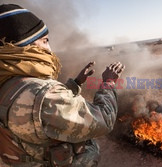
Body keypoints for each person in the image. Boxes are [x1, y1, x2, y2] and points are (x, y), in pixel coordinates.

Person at [0, 4, 125, 167]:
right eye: (44, 41)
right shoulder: (44, 94)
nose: (49, 49)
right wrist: (109, 82)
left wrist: (75, 83)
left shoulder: (7, 82)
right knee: (90, 147)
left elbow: (38, 109)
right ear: (25, 46)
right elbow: (103, 120)